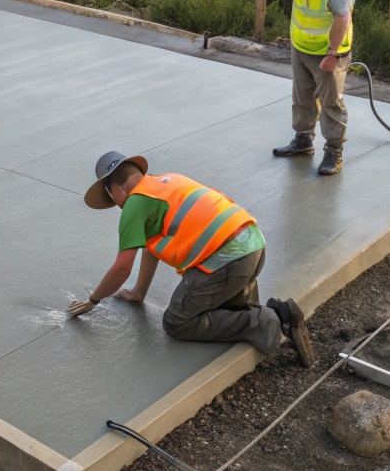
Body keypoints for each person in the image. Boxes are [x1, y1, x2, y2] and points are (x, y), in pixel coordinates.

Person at [66, 151, 315, 367]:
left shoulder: (134, 204)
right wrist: (139, 292)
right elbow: (151, 248)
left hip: (226, 261)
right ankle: (248, 308)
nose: (116, 204)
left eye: (111, 197)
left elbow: (122, 269)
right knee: (220, 307)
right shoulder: (168, 181)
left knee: (176, 321)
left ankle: (269, 320)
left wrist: (93, 300)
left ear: (115, 189)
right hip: (253, 245)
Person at [271, 0, 353, 176]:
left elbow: (342, 19)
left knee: (331, 102)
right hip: (301, 49)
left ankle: (334, 150)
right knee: (302, 96)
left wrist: (332, 54)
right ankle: (303, 140)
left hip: (327, 54)